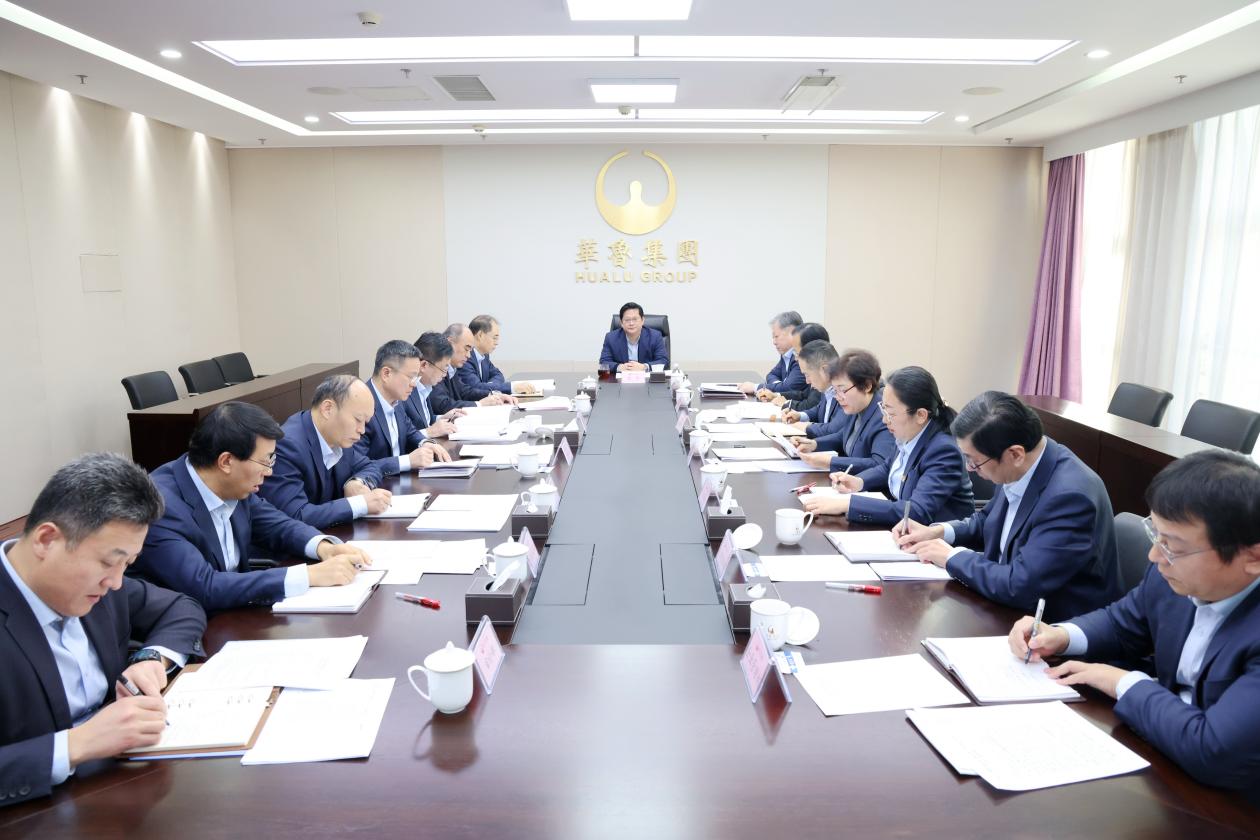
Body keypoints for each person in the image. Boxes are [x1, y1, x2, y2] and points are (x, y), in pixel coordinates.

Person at [1008, 450, 1260, 801]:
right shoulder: (1172, 575)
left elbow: (1213, 750)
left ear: (1253, 558)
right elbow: (1123, 622)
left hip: (1233, 801)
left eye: (1173, 547)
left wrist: (1122, 682)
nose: (1155, 556)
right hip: (1165, 753)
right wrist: (1061, 636)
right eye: (1156, 535)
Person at [0, 453, 206, 807]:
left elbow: (181, 607)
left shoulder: (105, 586)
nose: (116, 582)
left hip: (122, 787)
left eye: (128, 564)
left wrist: (150, 658)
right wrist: (75, 745)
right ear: (46, 540)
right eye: (109, 562)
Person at [896, 391, 1121, 622]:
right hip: (1005, 609)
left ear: (1015, 454)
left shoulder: (1069, 498)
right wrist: (939, 532)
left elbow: (1020, 585)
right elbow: (988, 521)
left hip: (1050, 627)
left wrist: (952, 557)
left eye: (975, 461)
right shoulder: (1023, 465)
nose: (970, 468)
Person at [133, 402, 373, 612]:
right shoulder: (160, 507)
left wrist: (324, 547)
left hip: (240, 613)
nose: (269, 472)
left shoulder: (233, 485)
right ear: (226, 461)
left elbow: (277, 525)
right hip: (198, 628)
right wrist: (309, 575)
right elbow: (205, 587)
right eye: (265, 461)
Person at [802, 366, 974, 524]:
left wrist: (849, 504)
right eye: (883, 410)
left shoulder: (943, 451)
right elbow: (887, 467)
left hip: (935, 540)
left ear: (921, 415)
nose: (885, 420)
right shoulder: (910, 432)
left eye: (890, 413)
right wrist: (859, 482)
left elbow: (916, 511)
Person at [257, 375, 389, 529]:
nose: (362, 430)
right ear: (327, 409)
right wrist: (359, 504)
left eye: (365, 423)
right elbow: (296, 516)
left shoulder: (339, 436)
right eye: (358, 419)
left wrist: (357, 482)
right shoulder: (288, 446)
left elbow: (370, 466)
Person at [356, 339, 451, 477]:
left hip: (399, 480)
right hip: (378, 485)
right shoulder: (360, 407)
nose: (414, 384)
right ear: (386, 374)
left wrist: (426, 443)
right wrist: (407, 461)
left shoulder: (397, 399)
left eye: (416, 378)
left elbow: (409, 431)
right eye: (411, 377)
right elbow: (359, 465)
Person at [796, 347, 895, 475]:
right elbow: (844, 436)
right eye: (835, 390)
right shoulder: (857, 407)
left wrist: (830, 462)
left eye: (842, 390)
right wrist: (814, 444)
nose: (838, 397)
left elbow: (878, 464)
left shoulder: (883, 417)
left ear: (866, 386)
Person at [418, 323, 516, 422]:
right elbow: (442, 404)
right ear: (450, 343)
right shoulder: (433, 366)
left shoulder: (452, 368)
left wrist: (493, 396)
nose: (469, 355)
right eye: (466, 349)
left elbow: (465, 392)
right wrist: (480, 404)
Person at [456, 315, 534, 400]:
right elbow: (476, 387)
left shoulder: (484, 356)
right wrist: (512, 387)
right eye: (494, 338)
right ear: (480, 335)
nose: (497, 343)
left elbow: (498, 374)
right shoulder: (465, 357)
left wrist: (489, 385)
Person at [740, 311, 804, 398]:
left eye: (776, 336)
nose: (774, 342)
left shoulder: (801, 357)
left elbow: (788, 388)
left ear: (792, 333)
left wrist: (755, 387)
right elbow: (771, 375)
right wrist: (780, 385)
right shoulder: (786, 355)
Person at [771, 322, 829, 411]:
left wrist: (786, 403)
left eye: (796, 352)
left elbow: (811, 405)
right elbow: (803, 395)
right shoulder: (814, 370)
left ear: (811, 349)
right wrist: (777, 395)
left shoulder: (823, 373)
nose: (795, 358)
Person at [599, 302, 669, 372]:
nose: (631, 323)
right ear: (621, 323)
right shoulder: (611, 338)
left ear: (642, 320)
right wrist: (619, 367)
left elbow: (663, 361)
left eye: (635, 319)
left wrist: (644, 367)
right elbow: (604, 362)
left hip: (646, 378)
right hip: (621, 377)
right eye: (627, 320)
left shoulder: (655, 336)